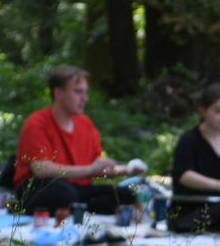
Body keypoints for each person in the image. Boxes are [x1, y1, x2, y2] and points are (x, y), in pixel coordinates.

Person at [12, 64, 144, 215]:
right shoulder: (36, 123)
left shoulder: (85, 124)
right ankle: (80, 208)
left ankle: (79, 209)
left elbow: (97, 168)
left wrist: (127, 169)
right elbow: (41, 169)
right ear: (58, 93)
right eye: (78, 92)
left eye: (85, 92)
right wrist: (90, 169)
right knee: (65, 194)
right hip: (40, 187)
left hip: (77, 189)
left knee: (125, 195)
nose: (85, 98)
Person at [172, 84, 220, 200]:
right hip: (193, 209)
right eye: (218, 111)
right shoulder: (189, 140)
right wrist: (217, 184)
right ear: (203, 111)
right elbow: (183, 175)